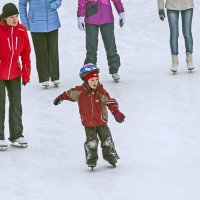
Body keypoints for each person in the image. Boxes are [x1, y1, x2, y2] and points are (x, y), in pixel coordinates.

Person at [53, 63, 125, 169]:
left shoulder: (101, 91)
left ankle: (110, 156)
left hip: (101, 121)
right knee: (92, 142)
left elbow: (109, 101)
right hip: (88, 123)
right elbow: (69, 94)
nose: (95, 82)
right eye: (92, 80)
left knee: (107, 139)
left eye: (96, 80)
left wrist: (116, 112)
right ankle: (91, 159)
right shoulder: (80, 91)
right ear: (86, 80)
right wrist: (60, 98)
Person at [0, 3, 31, 150]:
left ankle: (17, 135)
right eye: (11, 17)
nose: (15, 19)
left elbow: (26, 53)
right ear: (4, 18)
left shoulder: (21, 30)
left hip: (14, 72)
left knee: (16, 105)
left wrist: (26, 74)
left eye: (17, 16)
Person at [77, 0, 125, 82]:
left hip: (107, 18)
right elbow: (81, 2)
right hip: (91, 18)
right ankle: (90, 71)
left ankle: (114, 70)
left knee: (110, 46)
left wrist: (121, 12)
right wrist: (80, 17)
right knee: (91, 48)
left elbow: (116, 0)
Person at [18, 0, 62, 88]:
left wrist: (57, 4)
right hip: (36, 24)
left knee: (53, 51)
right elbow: (22, 3)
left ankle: (55, 77)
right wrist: (24, 21)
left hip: (52, 21)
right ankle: (44, 78)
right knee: (41, 52)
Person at [157, 0, 194, 73]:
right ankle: (175, 61)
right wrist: (160, 8)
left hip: (187, 5)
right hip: (171, 6)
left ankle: (189, 59)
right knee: (174, 34)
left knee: (187, 33)